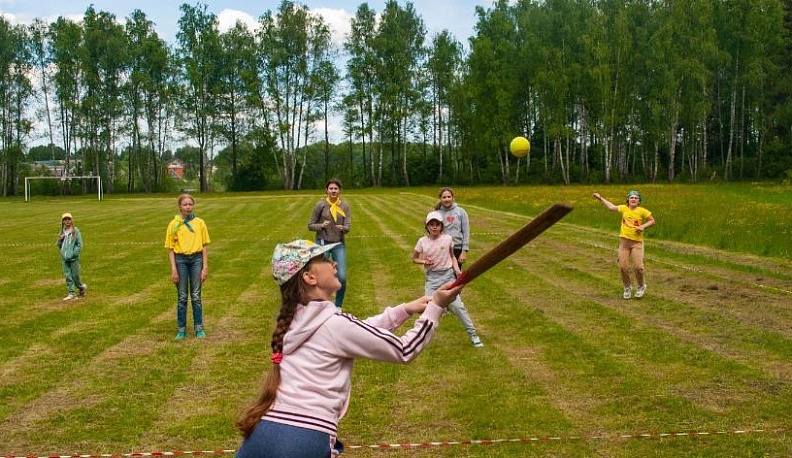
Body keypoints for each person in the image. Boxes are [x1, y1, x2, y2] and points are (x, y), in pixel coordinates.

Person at [234, 239, 462, 458]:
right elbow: (404, 349)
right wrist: (437, 308)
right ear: (309, 277)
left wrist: (405, 310)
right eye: (325, 259)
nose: (334, 263)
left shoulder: (295, 318)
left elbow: (357, 332)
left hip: (262, 434)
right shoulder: (333, 324)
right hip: (303, 438)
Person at [412, 211, 483, 348]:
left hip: (448, 277)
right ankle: (419, 339)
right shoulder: (422, 241)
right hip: (432, 280)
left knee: (458, 307)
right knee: (427, 308)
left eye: (437, 224)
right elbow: (414, 258)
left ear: (441, 226)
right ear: (427, 227)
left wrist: (456, 270)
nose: (434, 227)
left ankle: (473, 334)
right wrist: (424, 262)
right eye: (431, 225)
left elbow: (452, 257)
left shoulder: (448, 239)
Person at [593, 190, 656, 299]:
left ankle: (641, 286)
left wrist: (642, 227)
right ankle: (627, 287)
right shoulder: (623, 208)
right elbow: (611, 207)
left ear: (639, 201)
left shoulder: (642, 211)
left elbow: (652, 221)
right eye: (631, 197)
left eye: (636, 198)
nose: (634, 199)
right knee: (623, 267)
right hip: (624, 243)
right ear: (628, 200)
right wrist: (600, 198)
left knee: (638, 267)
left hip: (637, 243)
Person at [165, 194, 211, 339]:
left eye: (190, 204)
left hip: (196, 260)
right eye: (185, 204)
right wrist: (174, 269)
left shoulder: (200, 223)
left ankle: (199, 328)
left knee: (196, 296)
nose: (188, 207)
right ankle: (181, 329)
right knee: (182, 296)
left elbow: (204, 246)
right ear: (179, 207)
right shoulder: (174, 224)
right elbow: (170, 248)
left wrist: (205, 266)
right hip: (180, 261)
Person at [308, 178, 351, 308]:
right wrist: (321, 226)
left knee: (342, 277)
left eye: (336, 189)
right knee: (321, 277)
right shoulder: (320, 205)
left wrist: (344, 228)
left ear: (340, 191)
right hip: (323, 244)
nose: (333, 191)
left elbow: (348, 225)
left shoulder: (344, 206)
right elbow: (310, 225)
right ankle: (321, 303)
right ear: (327, 190)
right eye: (331, 188)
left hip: (338, 244)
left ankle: (338, 306)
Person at [434, 187, 471, 268]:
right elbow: (432, 232)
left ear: (453, 198)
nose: (446, 199)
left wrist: (464, 251)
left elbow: (466, 232)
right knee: (443, 275)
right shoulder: (436, 214)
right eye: (444, 197)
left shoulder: (461, 212)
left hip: (457, 248)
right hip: (442, 249)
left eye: (449, 197)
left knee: (456, 274)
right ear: (440, 198)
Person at [57, 212, 87, 301]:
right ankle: (71, 293)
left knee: (75, 276)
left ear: (72, 220)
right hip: (64, 259)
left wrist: (74, 253)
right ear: (62, 222)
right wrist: (60, 240)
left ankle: (81, 287)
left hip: (73, 259)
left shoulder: (76, 231)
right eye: (65, 220)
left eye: (69, 219)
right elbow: (59, 244)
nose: (67, 222)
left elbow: (79, 244)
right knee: (68, 276)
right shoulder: (62, 232)